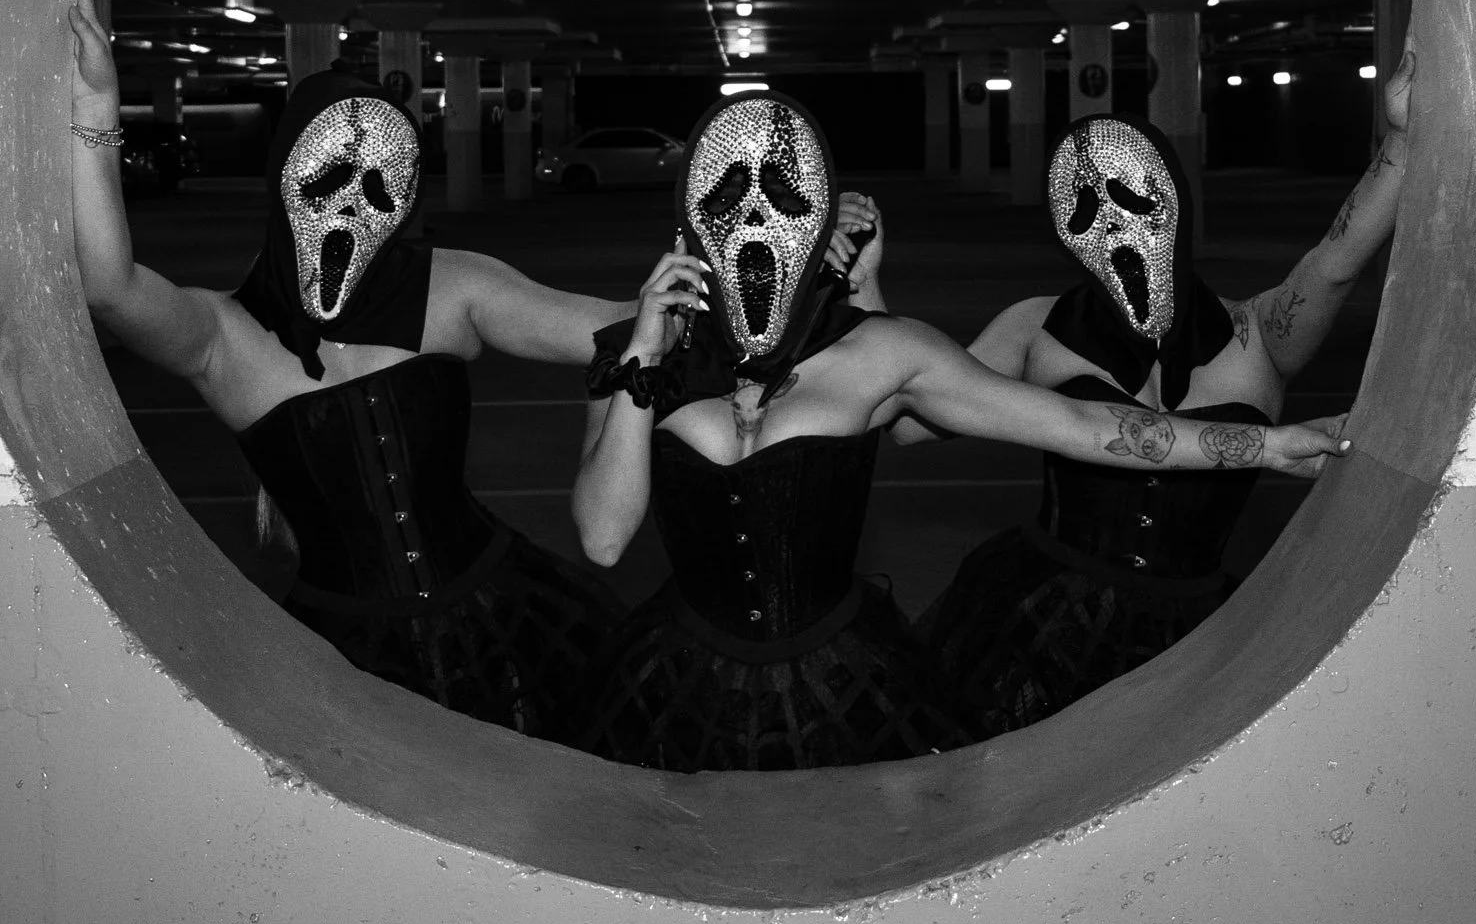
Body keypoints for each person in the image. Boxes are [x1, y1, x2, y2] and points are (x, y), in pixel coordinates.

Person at [570, 92, 1347, 773]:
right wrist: (642, 357)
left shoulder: (882, 352)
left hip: (845, 686)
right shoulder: (633, 359)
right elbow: (604, 537)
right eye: (728, 201)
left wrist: (1267, 445)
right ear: (689, 218)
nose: (756, 229)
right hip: (678, 687)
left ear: (818, 218)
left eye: (784, 200)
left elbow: (1078, 424)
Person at [68, 0, 639, 743]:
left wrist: (795, 273)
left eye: (381, 185)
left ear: (405, 200)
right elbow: (109, 289)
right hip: (337, 656)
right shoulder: (223, 337)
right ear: (282, 180)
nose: (350, 206)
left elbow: (613, 326)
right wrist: (95, 112)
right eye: (330, 176)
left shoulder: (450, 287)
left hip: (507, 626)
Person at [898, 47, 1416, 736]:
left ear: (1175, 196)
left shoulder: (1259, 333)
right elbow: (909, 426)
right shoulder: (1033, 326)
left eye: (1131, 196)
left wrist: (1404, 139)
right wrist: (866, 300)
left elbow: (1338, 259)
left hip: (1196, 625)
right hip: (1038, 623)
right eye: (1082, 207)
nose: (1111, 221)